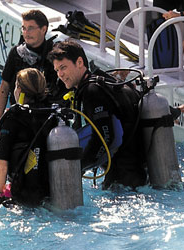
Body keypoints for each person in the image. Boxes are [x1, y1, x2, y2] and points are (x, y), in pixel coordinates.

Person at [48, 39, 147, 189]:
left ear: (80, 62)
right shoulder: (106, 83)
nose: (60, 75)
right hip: (141, 170)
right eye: (57, 70)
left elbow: (105, 138)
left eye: (63, 68)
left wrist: (77, 167)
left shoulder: (92, 92)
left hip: (124, 178)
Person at [0, 68, 54, 206]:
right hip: (51, 194)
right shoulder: (52, 115)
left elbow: (2, 164)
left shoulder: (13, 117)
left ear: (19, 89)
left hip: (22, 196)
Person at [0, 9, 60, 124]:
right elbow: (4, 88)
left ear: (43, 29)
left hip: (44, 116)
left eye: (30, 28)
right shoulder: (16, 53)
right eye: (24, 28)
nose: (26, 32)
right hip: (18, 115)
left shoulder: (53, 55)